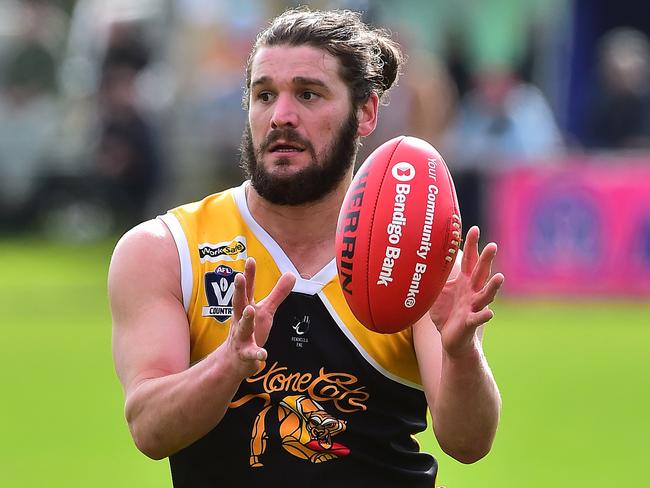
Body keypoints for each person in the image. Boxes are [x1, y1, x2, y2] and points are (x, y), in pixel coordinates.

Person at [109, 8, 504, 487]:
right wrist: (228, 364)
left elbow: (468, 443)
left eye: (308, 94)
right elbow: (149, 428)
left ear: (366, 112)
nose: (281, 116)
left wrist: (462, 353)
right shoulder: (164, 250)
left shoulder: (411, 251)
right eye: (264, 95)